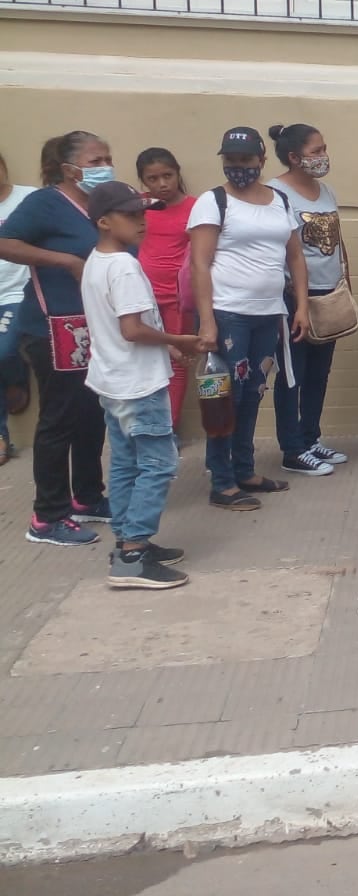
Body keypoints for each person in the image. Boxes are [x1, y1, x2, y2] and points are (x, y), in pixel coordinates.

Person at [80, 181, 199, 590]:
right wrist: (176, 341)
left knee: (127, 463)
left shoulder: (97, 261)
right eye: (130, 215)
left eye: (141, 212)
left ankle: (129, 542)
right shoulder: (125, 266)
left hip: (112, 381)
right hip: (138, 385)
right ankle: (133, 553)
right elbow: (132, 329)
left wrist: (167, 349)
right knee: (159, 463)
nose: (140, 221)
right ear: (103, 221)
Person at [0, 131, 116, 545]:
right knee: (58, 420)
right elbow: (5, 242)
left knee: (91, 414)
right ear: (69, 169)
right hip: (53, 327)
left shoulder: (98, 204)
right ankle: (47, 516)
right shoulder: (45, 203)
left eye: (107, 157)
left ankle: (88, 496)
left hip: (94, 325)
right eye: (95, 159)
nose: (105, 165)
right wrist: (64, 260)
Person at [188, 126, 310, 512]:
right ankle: (221, 481)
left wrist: (302, 306)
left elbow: (295, 257)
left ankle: (244, 469)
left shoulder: (279, 201)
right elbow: (200, 263)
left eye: (246, 160)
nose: (238, 167)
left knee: (254, 391)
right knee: (225, 398)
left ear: (261, 160)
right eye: (231, 160)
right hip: (228, 314)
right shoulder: (213, 202)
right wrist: (207, 320)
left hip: (268, 313)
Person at [266, 124, 349, 478]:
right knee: (292, 374)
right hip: (293, 297)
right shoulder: (275, 193)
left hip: (328, 294)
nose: (323, 157)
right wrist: (293, 295)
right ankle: (292, 448)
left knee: (319, 372)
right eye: (316, 151)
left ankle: (311, 437)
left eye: (324, 148)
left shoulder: (325, 190)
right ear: (294, 157)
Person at [135, 149, 196, 428]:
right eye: (153, 178)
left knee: (177, 362)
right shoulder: (137, 209)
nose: (161, 184)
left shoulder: (196, 207)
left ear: (178, 172)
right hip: (140, 297)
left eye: (167, 176)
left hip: (176, 299)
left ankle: (168, 428)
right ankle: (145, 425)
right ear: (143, 181)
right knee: (144, 360)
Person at [0, 151, 38, 464]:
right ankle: (2, 437)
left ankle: (15, 375)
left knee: (3, 351)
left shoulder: (29, 199)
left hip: (15, 293)